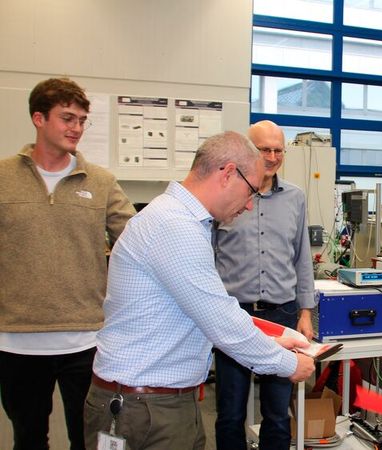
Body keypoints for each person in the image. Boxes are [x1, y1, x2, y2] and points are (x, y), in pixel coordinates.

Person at [84, 131, 316, 450]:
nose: (250, 205)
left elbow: (206, 309)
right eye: (249, 192)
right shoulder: (175, 227)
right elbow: (220, 321)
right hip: (145, 407)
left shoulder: (184, 221)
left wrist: (275, 338)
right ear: (227, 174)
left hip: (162, 400)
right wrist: (288, 364)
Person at [0, 77, 135, 450]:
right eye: (67, 118)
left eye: (81, 120)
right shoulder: (3, 178)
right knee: (27, 439)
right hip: (17, 340)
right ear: (38, 118)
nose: (76, 128)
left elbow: (137, 241)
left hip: (85, 339)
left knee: (90, 439)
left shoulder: (102, 181)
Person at [214, 120, 315, 449]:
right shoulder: (226, 194)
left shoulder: (296, 198)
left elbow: (302, 258)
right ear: (248, 150)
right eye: (264, 149)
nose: (272, 157)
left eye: (277, 150)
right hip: (235, 316)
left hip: (281, 317)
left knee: (277, 411)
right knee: (230, 411)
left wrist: (305, 313)